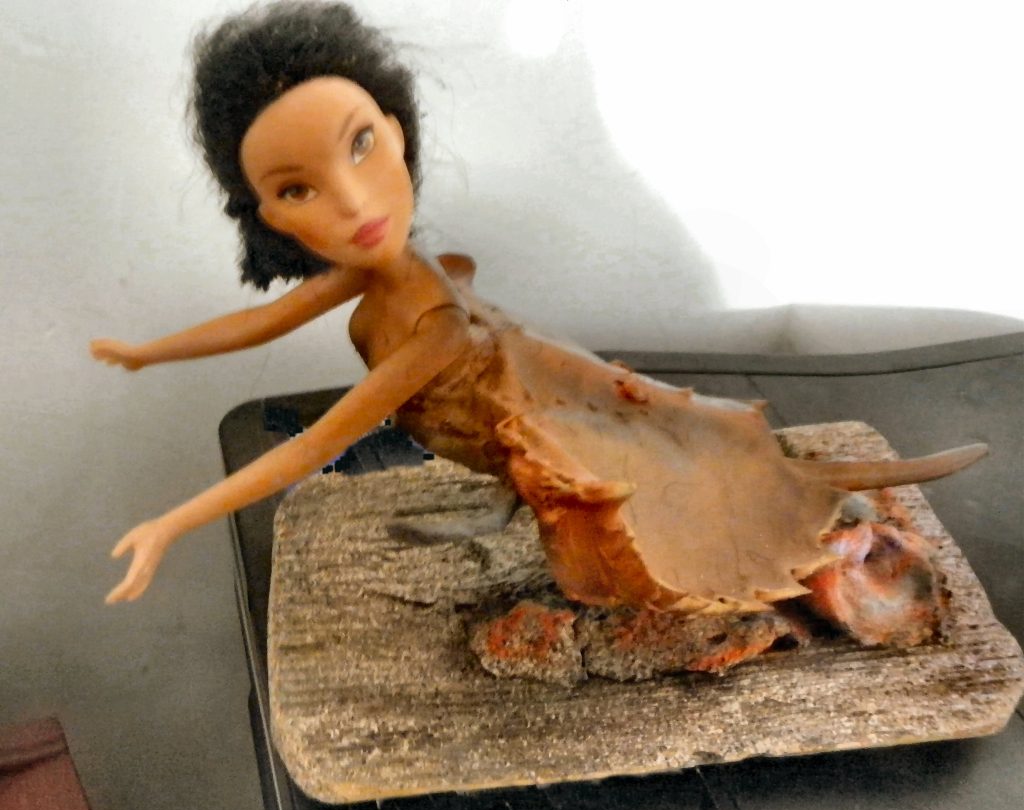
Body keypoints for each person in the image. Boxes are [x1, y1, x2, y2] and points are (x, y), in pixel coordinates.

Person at [92, 1, 984, 609]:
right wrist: (145, 353)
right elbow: (260, 320)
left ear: (396, 129)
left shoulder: (435, 325)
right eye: (297, 188)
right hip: (525, 426)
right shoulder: (373, 273)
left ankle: (825, 525)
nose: (355, 202)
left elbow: (318, 443)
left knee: (683, 484)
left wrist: (175, 522)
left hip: (554, 437)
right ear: (267, 215)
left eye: (360, 144)